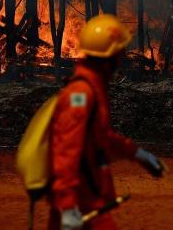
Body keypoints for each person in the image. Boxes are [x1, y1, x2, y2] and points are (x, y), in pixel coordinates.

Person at [48, 14, 165, 230]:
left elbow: (100, 136)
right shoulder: (81, 94)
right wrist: (67, 207)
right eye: (119, 54)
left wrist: (137, 154)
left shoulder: (93, 87)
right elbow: (65, 150)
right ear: (109, 57)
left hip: (87, 198)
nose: (121, 59)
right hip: (80, 203)